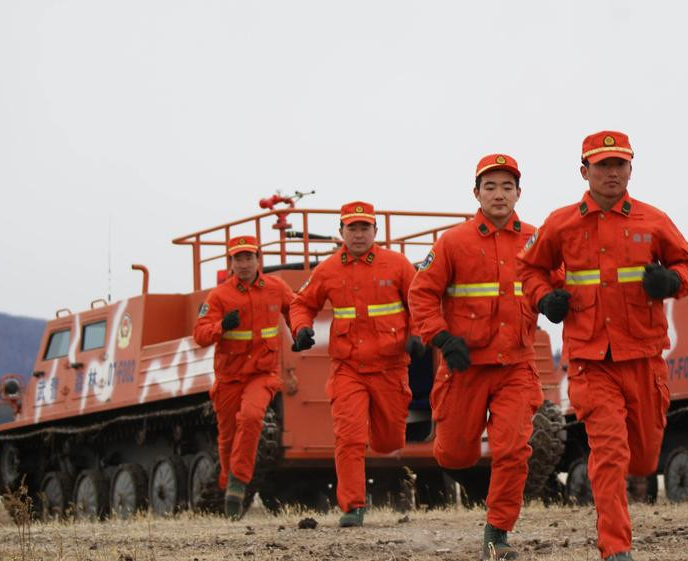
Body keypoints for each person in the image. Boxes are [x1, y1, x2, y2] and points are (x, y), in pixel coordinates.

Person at [517, 131, 688, 561]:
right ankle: (616, 549)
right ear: (584, 171)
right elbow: (528, 270)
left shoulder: (653, 220)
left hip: (643, 359)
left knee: (641, 459)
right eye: (602, 165)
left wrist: (674, 280)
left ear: (630, 170)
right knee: (610, 451)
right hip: (589, 361)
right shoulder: (561, 224)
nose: (611, 172)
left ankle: (620, 530)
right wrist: (544, 298)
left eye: (619, 164)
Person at [408, 154, 544, 561]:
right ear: (476, 194)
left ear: (519, 193)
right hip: (463, 368)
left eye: (507, 187)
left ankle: (496, 536)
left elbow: (560, 282)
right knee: (453, 454)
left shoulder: (537, 241)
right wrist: (442, 338)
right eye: (490, 187)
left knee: (514, 449)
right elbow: (421, 294)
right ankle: (479, 487)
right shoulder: (453, 242)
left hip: (516, 366)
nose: (499, 194)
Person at [289, 201, 421, 528]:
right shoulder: (329, 269)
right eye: (352, 228)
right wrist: (301, 328)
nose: (358, 234)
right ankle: (353, 507)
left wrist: (418, 334)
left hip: (391, 369)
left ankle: (381, 438)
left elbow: (422, 300)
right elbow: (301, 304)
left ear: (375, 231)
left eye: (364, 228)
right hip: (348, 368)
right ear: (341, 232)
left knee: (389, 441)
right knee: (348, 436)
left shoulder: (398, 264)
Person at [193, 235, 296, 519]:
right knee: (227, 438)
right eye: (238, 258)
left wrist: (300, 332)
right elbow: (199, 334)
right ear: (231, 263)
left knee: (251, 419)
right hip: (229, 378)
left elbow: (296, 308)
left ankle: (238, 484)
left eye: (248, 257)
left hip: (262, 374)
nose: (244, 263)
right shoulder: (219, 296)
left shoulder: (276, 288)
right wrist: (220, 326)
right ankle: (229, 481)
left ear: (258, 260)